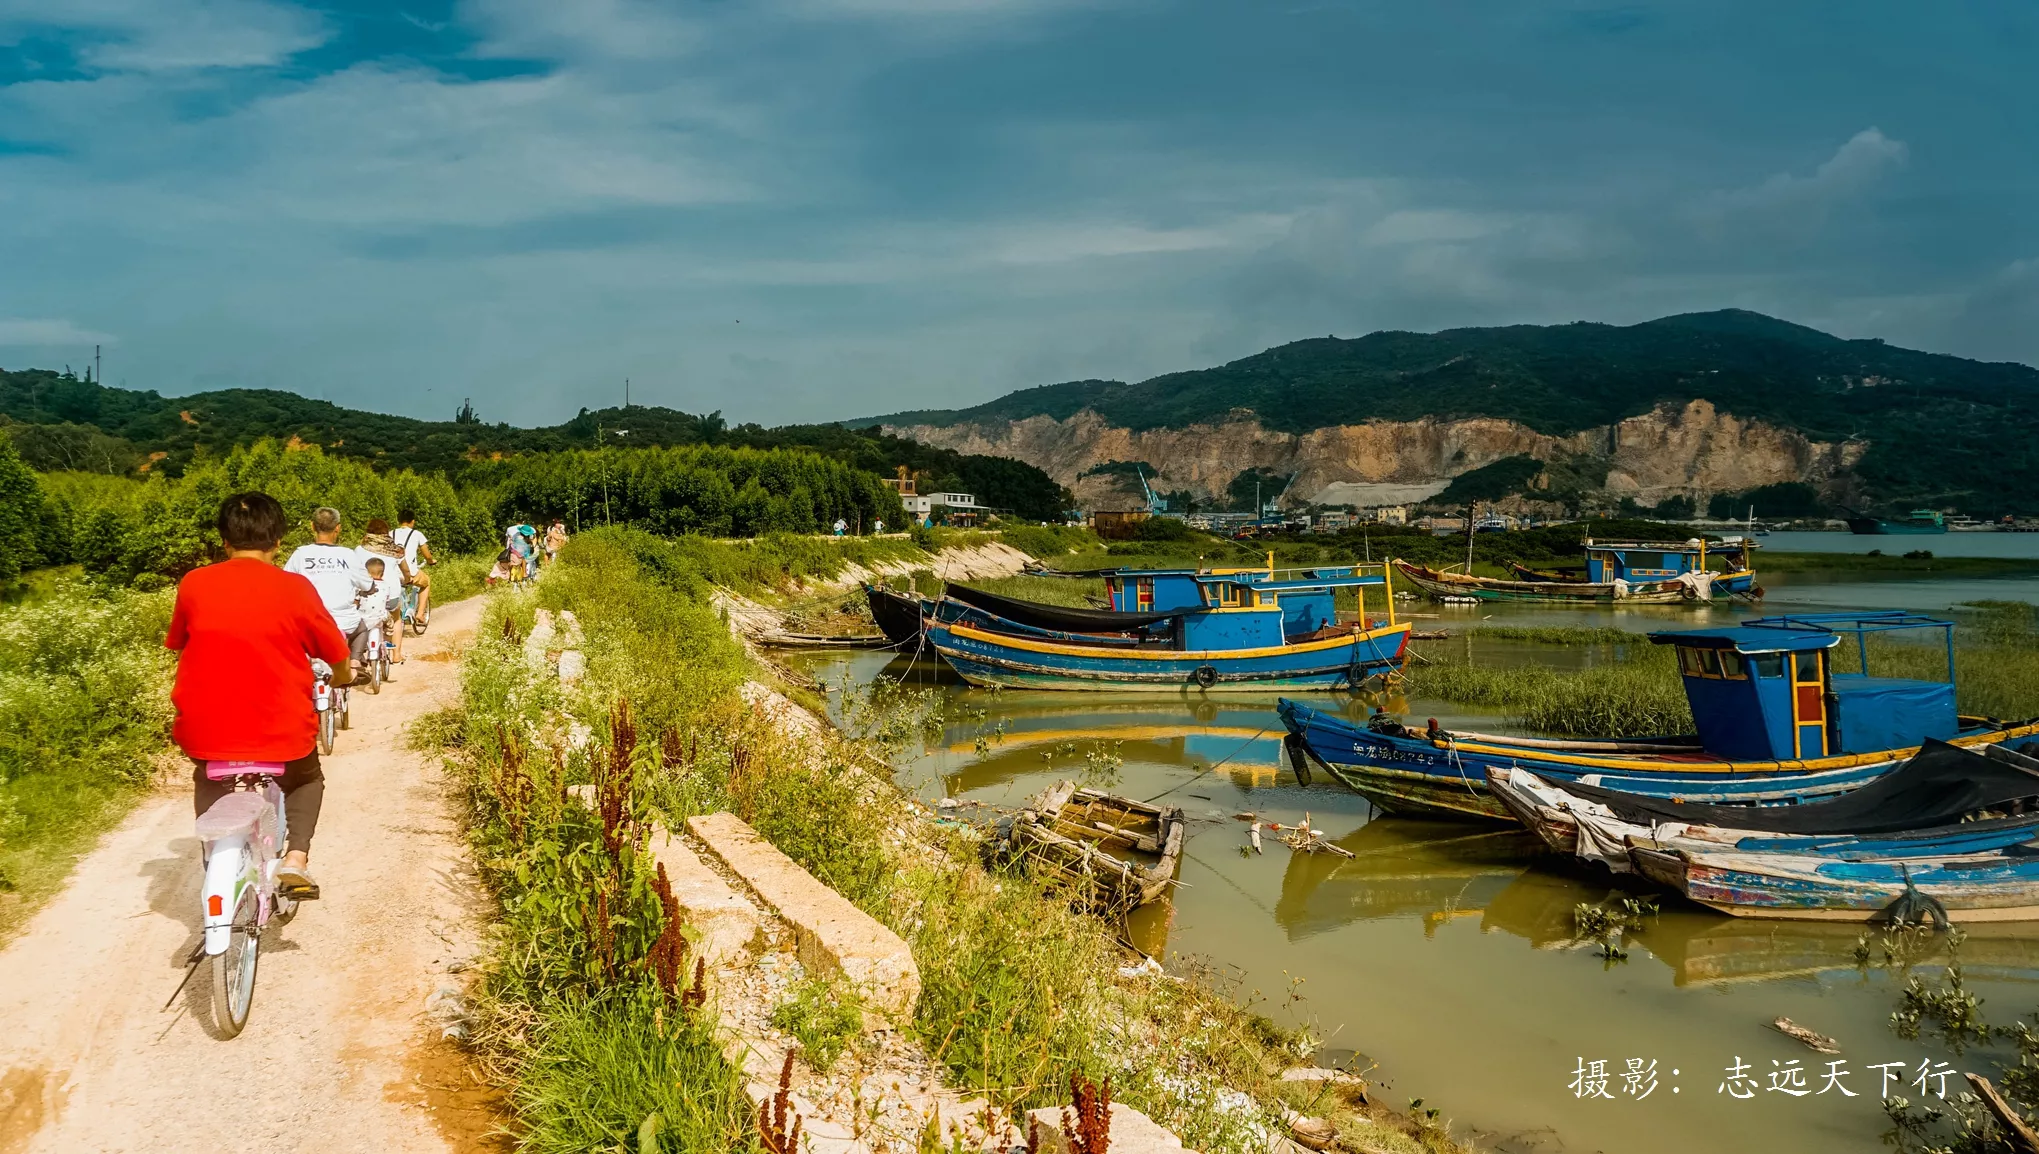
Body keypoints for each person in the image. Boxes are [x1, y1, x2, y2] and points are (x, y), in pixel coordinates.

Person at [169, 492, 352, 895]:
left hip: (203, 728)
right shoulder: (295, 588)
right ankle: (297, 858)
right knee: (306, 781)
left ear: (224, 540)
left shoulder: (194, 582)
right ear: (278, 541)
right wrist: (341, 677)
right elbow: (336, 653)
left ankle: (214, 848)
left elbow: (180, 641)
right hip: (282, 730)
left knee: (208, 772)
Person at [286, 507, 374, 675]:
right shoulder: (348, 555)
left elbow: (286, 584)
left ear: (312, 526)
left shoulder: (300, 554)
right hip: (343, 622)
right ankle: (355, 662)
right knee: (363, 628)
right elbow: (367, 585)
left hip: (308, 623)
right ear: (337, 528)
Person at [357, 518, 409, 663]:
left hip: (366, 594)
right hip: (390, 594)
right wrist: (408, 578)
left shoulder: (359, 549)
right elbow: (405, 570)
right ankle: (396, 654)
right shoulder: (396, 550)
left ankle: (359, 652)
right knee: (397, 618)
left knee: (360, 617)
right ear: (386, 533)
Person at [392, 510, 435, 625]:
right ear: (412, 521)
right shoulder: (417, 534)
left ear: (399, 521)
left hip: (392, 573)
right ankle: (420, 614)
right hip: (409, 572)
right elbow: (427, 554)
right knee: (426, 583)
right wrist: (431, 561)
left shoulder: (390, 533)